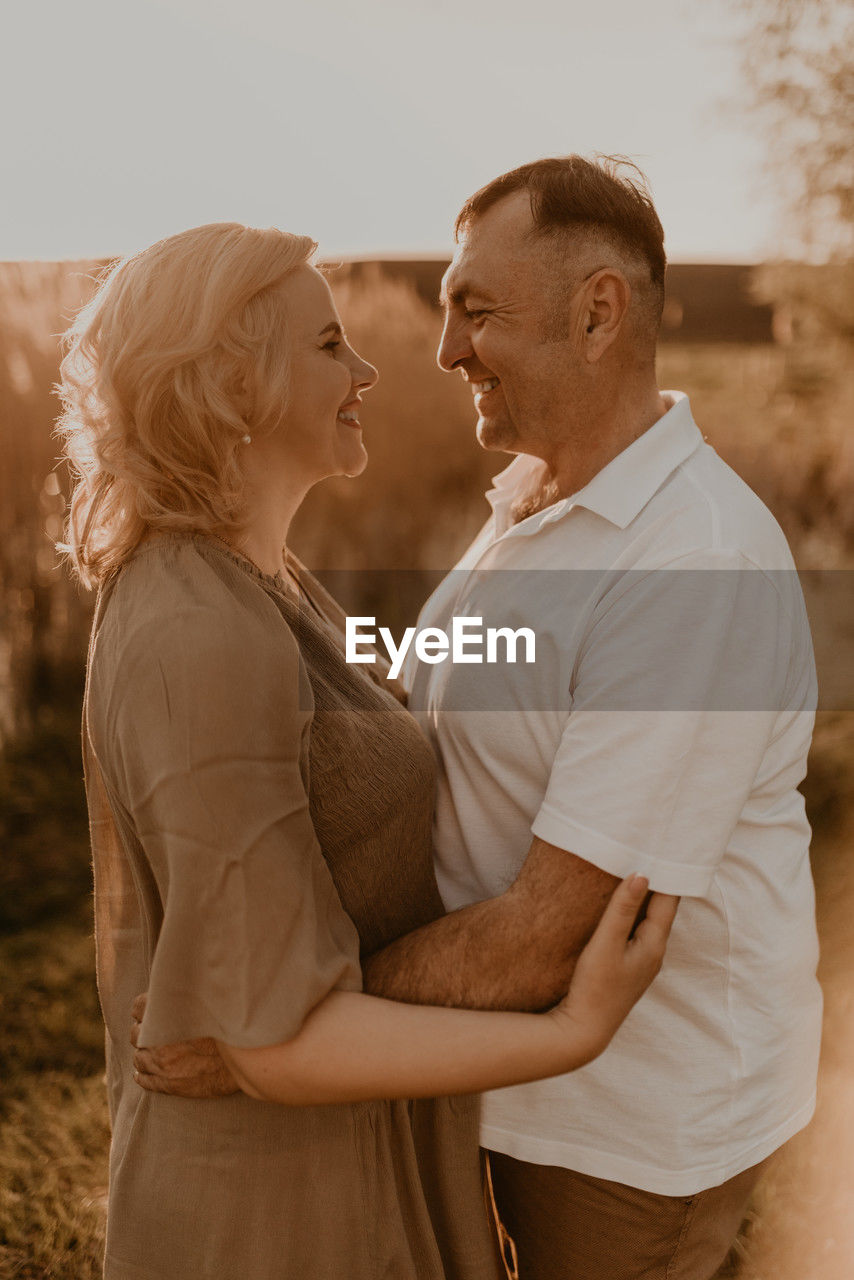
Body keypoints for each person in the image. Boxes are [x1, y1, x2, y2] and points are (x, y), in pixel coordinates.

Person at [57, 221, 677, 1280]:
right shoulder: (194, 630)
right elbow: (274, 1041)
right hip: (277, 1217)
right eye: (328, 344)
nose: (370, 369)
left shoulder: (263, 582)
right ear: (228, 379)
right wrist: (572, 1029)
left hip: (355, 1166)